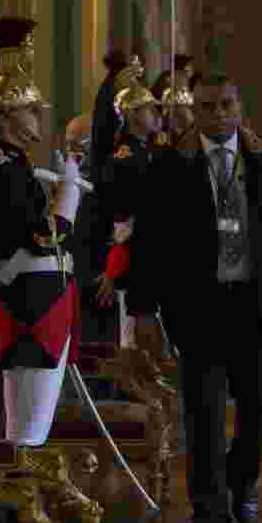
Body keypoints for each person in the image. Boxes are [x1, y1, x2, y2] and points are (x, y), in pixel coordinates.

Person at [129, 72, 262, 523]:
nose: (217, 115)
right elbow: (148, 244)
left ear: (240, 108)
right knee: (202, 415)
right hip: (198, 309)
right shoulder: (169, 166)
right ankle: (209, 512)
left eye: (225, 105)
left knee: (257, 412)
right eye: (206, 107)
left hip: (257, 307)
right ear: (193, 111)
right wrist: (142, 310)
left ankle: (243, 484)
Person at [0, 18, 85, 449]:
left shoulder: (15, 165)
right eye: (30, 109)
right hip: (27, 304)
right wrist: (69, 190)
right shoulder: (0, 167)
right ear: (3, 115)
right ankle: (22, 506)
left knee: (30, 428)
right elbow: (43, 236)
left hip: (40, 299)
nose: (38, 116)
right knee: (27, 433)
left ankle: (26, 500)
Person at [94, 56, 163, 349]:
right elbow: (123, 219)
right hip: (133, 250)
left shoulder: (147, 151)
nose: (156, 115)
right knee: (133, 335)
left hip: (149, 248)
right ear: (133, 114)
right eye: (150, 109)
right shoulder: (125, 158)